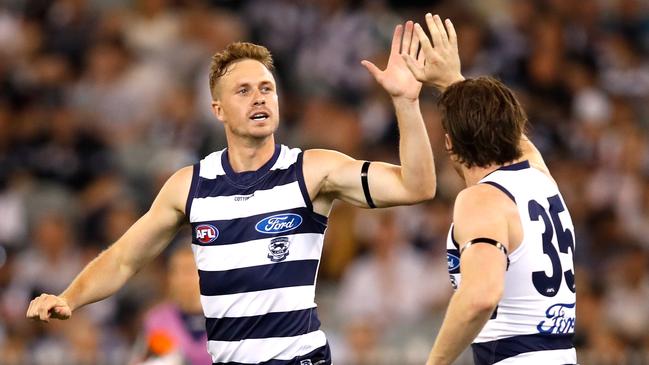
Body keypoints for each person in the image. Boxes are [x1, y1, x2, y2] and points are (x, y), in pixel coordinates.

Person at [26, 21, 436, 365]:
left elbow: (417, 186)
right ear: (217, 109)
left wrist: (405, 103)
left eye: (267, 88)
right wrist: (70, 298)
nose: (259, 97)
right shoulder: (190, 184)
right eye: (243, 90)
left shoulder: (312, 171)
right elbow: (122, 259)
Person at [403, 14, 577, 364]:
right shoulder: (541, 179)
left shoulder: (482, 198)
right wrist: (452, 79)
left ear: (450, 145)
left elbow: (481, 296)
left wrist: (434, 362)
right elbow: (517, 140)